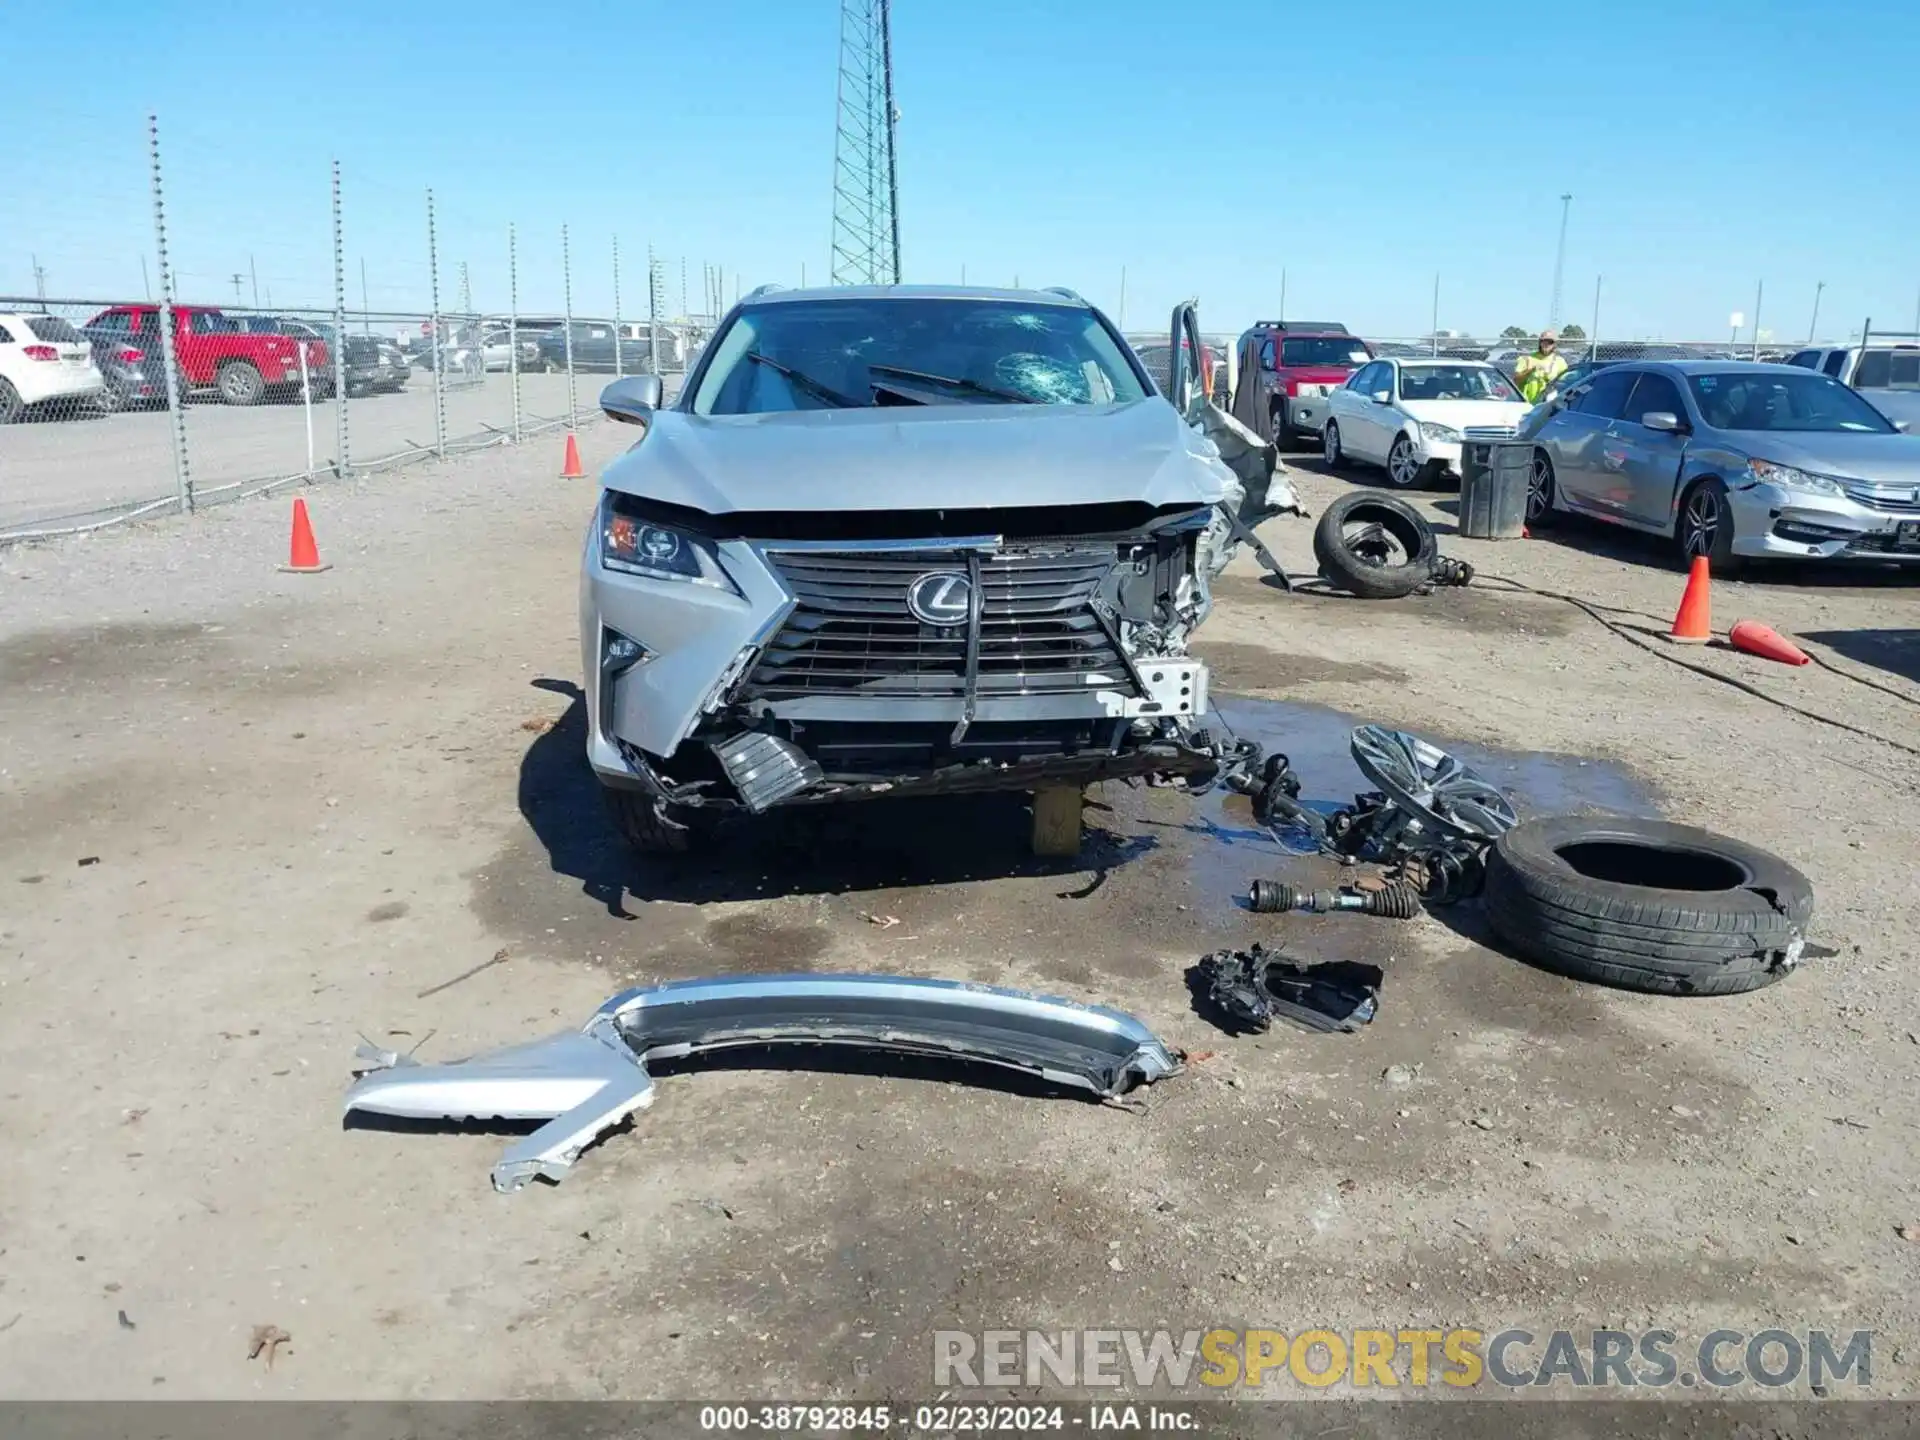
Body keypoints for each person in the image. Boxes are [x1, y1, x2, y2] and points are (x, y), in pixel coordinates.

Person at [1515, 330, 1569, 403]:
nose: (1546, 344)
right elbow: (1516, 380)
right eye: (1544, 341)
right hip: (1528, 405)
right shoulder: (1527, 359)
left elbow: (1566, 382)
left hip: (1548, 406)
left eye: (1550, 342)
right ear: (1540, 342)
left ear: (1554, 344)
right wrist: (1530, 371)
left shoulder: (1560, 361)